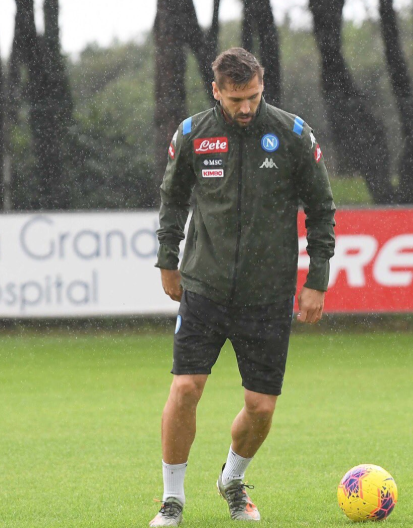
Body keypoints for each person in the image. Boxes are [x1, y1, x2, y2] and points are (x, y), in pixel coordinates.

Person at [149, 47, 335, 527]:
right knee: (186, 387)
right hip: (205, 288)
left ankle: (232, 480)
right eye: (235, 99)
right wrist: (167, 261)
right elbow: (172, 201)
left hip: (268, 295)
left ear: (262, 85)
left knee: (261, 407)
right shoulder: (192, 134)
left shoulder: (293, 134)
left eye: (252, 96)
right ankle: (172, 500)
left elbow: (321, 210)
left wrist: (317, 279)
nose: (246, 107)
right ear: (216, 91)